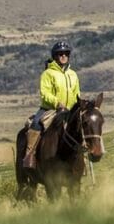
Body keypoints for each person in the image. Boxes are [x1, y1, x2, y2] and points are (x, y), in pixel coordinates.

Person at [21, 40, 80, 169]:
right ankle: (30, 155)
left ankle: (82, 159)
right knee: (35, 124)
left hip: (69, 110)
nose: (63, 56)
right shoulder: (47, 74)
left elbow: (77, 93)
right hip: (50, 109)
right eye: (60, 54)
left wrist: (78, 106)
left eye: (66, 54)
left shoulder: (73, 74)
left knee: (82, 128)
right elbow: (45, 93)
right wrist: (57, 103)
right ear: (55, 56)